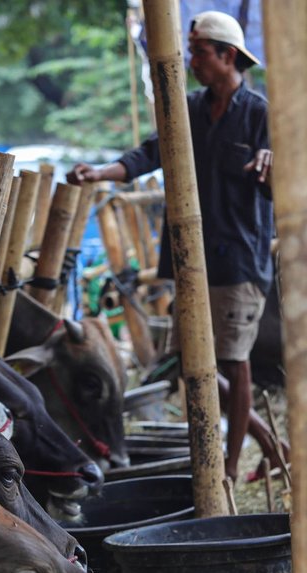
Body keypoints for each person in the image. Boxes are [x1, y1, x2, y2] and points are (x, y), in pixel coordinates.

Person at [67, 10, 289, 483]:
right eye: (189, 50)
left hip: (240, 260)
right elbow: (148, 153)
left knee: (232, 361)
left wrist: (274, 165)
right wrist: (99, 173)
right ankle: (268, 444)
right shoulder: (186, 108)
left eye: (199, 51)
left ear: (227, 56)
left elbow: (281, 189)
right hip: (191, 260)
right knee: (190, 364)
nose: (191, 60)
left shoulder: (261, 115)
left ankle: (229, 466)